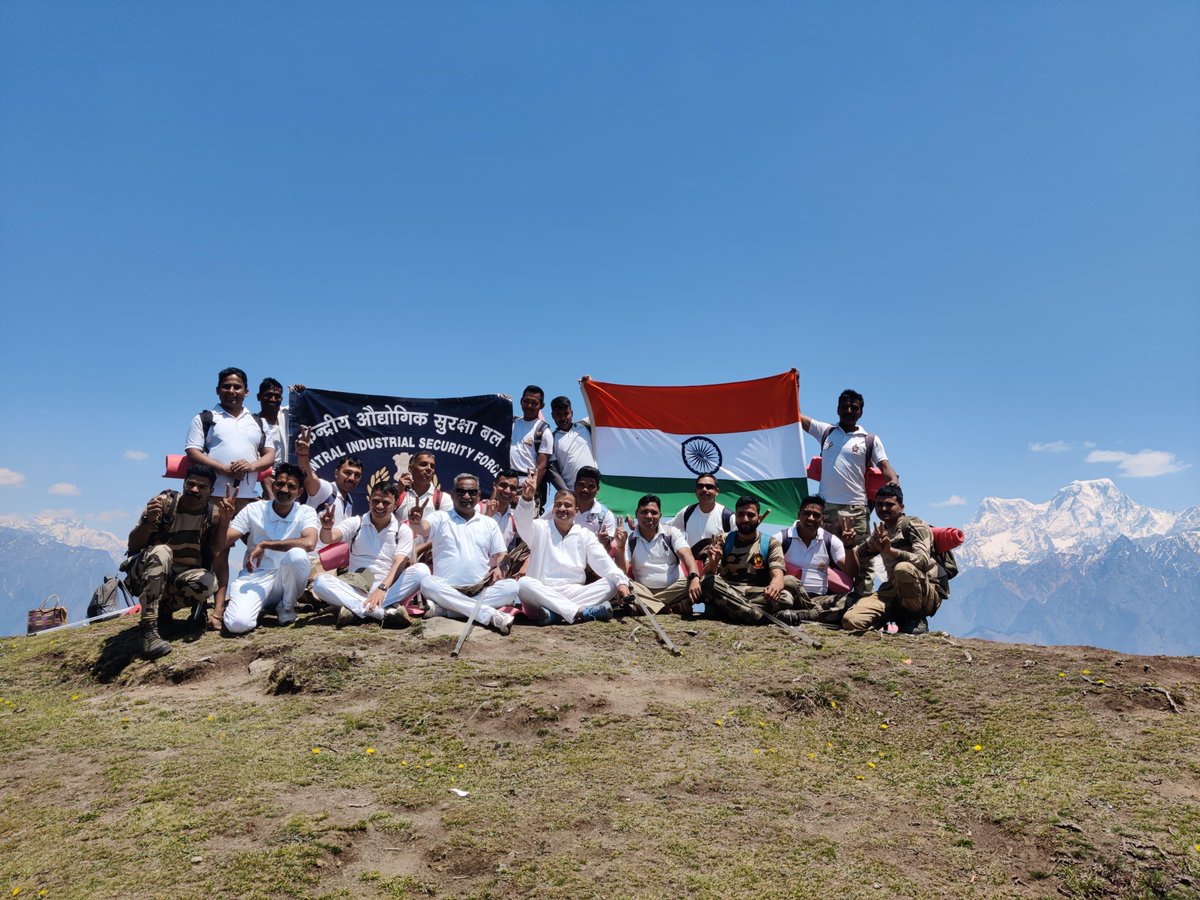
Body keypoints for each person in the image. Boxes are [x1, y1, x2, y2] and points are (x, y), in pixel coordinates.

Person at [123, 463, 233, 658]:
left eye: (202, 487)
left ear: (210, 491)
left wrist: (225, 522)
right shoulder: (163, 505)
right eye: (190, 484)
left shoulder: (213, 515)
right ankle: (148, 628)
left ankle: (165, 614)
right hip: (146, 576)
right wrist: (148, 522)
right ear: (183, 483)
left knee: (208, 581)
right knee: (162, 552)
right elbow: (133, 545)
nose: (194, 490)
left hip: (178, 581)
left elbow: (216, 551)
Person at [801, 389, 899, 594]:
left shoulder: (869, 439)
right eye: (845, 407)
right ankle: (828, 598)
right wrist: (795, 386)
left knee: (863, 557)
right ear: (837, 409)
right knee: (826, 555)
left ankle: (864, 598)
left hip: (857, 508)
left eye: (854, 408)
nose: (849, 410)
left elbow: (885, 466)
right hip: (826, 508)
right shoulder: (826, 432)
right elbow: (798, 417)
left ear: (860, 412)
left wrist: (894, 484)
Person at [515, 473, 632, 625]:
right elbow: (522, 522)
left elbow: (603, 561)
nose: (562, 508)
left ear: (576, 511)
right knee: (524, 584)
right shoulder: (539, 528)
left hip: (574, 593)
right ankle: (581, 612)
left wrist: (621, 583)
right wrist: (527, 498)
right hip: (541, 593)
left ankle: (555, 614)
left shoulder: (585, 535)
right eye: (558, 504)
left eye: (567, 505)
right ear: (553, 508)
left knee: (612, 583)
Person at [409, 473, 519, 635]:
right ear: (453, 494)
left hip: (479, 589)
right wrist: (416, 522)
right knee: (427, 583)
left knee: (512, 587)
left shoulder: (489, 523)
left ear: (479, 495)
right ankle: (489, 615)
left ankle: (447, 610)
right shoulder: (440, 517)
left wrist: (502, 568)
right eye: (461, 491)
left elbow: (502, 555)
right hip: (445, 587)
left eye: (472, 492)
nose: (467, 496)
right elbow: (422, 528)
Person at [220, 463, 320, 634]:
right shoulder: (253, 509)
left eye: (291, 486)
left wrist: (265, 544)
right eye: (280, 484)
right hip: (255, 578)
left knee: (297, 555)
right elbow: (221, 544)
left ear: (300, 492)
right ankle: (259, 607)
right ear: (273, 486)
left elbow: (310, 543)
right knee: (237, 624)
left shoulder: (306, 512)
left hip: (285, 582)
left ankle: (286, 607)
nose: (285, 490)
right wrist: (224, 520)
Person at [311, 481, 424, 628]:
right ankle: (382, 613)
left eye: (386, 502)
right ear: (369, 501)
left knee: (422, 570)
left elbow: (399, 563)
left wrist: (382, 588)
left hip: (388, 590)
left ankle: (355, 609)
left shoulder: (403, 530)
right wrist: (326, 528)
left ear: (395, 505)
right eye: (375, 501)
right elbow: (329, 538)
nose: (379, 506)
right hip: (355, 588)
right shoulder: (356, 523)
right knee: (320, 582)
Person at [840, 484, 945, 635]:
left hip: (925, 592)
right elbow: (858, 555)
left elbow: (923, 561)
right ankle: (889, 617)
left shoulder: (914, 525)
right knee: (851, 621)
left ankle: (915, 618)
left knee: (903, 568)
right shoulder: (880, 533)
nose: (883, 508)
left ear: (901, 507)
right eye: (879, 504)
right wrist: (848, 545)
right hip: (892, 591)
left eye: (889, 504)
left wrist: (891, 551)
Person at [698, 496, 806, 624]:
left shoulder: (770, 543)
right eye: (741, 514)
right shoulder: (722, 539)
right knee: (707, 581)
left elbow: (777, 576)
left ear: (759, 518)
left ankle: (728, 611)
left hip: (756, 592)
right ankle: (758, 617)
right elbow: (705, 576)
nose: (745, 519)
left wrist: (774, 587)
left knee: (786, 598)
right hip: (727, 590)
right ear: (735, 517)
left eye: (750, 515)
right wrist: (713, 562)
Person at [185, 367, 275, 509]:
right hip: (211, 498)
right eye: (226, 386)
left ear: (246, 392)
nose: (231, 391)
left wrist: (251, 466)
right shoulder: (204, 418)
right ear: (217, 390)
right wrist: (222, 469)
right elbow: (192, 452)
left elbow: (270, 455)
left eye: (237, 387)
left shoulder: (259, 422)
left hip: (247, 499)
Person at [773, 495, 860, 627]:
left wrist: (849, 546)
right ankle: (815, 616)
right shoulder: (781, 538)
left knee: (853, 600)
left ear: (822, 519)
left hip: (819, 600)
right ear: (799, 515)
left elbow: (852, 572)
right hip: (789, 597)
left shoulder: (830, 540)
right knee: (789, 581)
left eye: (816, 515)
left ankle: (800, 615)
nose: (811, 518)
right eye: (807, 513)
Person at [615, 494, 702, 615]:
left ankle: (646, 606)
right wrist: (619, 547)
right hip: (644, 591)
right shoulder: (629, 540)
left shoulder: (671, 533)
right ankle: (665, 608)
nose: (649, 516)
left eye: (653, 513)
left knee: (699, 581)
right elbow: (622, 571)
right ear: (636, 514)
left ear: (660, 516)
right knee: (623, 582)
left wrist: (694, 577)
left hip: (673, 590)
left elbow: (686, 555)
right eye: (644, 512)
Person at [294, 426, 365, 530]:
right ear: (336, 473)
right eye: (347, 472)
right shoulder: (327, 490)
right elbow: (309, 477)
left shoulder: (349, 502)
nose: (352, 478)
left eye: (357, 475)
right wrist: (302, 455)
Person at [511, 386, 553, 510]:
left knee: (525, 522)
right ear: (521, 401)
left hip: (526, 486)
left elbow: (542, 466)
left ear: (541, 405)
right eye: (526, 401)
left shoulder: (543, 431)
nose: (529, 405)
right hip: (507, 485)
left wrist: (528, 492)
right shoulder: (512, 423)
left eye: (534, 403)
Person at [670, 474, 734, 556]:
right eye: (700, 486)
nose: (704, 489)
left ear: (717, 491)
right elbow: (668, 530)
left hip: (719, 563)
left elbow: (741, 537)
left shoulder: (727, 516)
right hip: (693, 563)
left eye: (709, 486)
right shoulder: (687, 512)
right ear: (696, 491)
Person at [548, 396, 596, 491]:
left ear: (572, 413)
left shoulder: (585, 425)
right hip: (573, 492)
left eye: (566, 413)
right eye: (558, 414)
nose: (563, 418)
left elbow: (601, 411)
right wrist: (567, 493)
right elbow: (553, 471)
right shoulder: (550, 440)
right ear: (552, 415)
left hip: (594, 491)